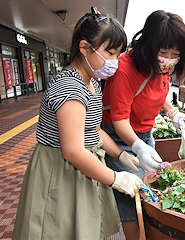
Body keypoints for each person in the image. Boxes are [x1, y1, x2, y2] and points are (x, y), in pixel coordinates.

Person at [12, 8, 143, 240]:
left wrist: (123, 155)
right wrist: (115, 178)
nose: (114, 62)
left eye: (118, 55)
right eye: (110, 53)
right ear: (85, 48)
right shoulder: (70, 87)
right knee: (58, 229)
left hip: (81, 168)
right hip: (61, 170)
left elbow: (94, 130)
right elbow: (72, 151)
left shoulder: (91, 82)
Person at [101, 10, 185, 240]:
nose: (169, 60)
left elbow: (157, 90)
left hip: (145, 134)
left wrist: (172, 113)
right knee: (130, 196)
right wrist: (138, 147)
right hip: (120, 138)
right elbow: (120, 121)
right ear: (150, 47)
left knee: (149, 189)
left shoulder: (162, 66)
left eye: (176, 54)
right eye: (163, 53)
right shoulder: (125, 68)